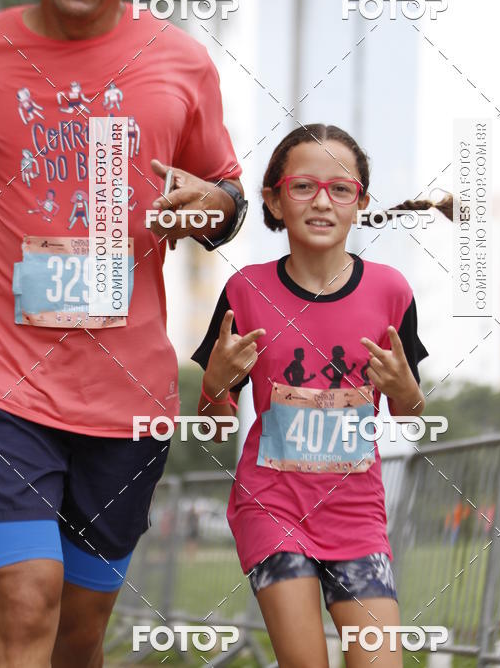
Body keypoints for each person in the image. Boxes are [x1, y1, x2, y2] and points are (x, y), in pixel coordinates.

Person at [0, 0, 247, 668]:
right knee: (24, 603)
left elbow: (230, 195)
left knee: (77, 633)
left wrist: (215, 208)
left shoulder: (180, 62)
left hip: (125, 403)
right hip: (5, 385)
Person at [193, 124, 452, 668]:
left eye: (341, 189)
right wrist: (216, 384)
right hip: (273, 506)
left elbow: (410, 414)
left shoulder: (391, 291)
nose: (322, 201)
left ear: (360, 203)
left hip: (356, 514)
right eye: (303, 186)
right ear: (273, 199)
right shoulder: (246, 291)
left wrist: (406, 393)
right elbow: (215, 425)